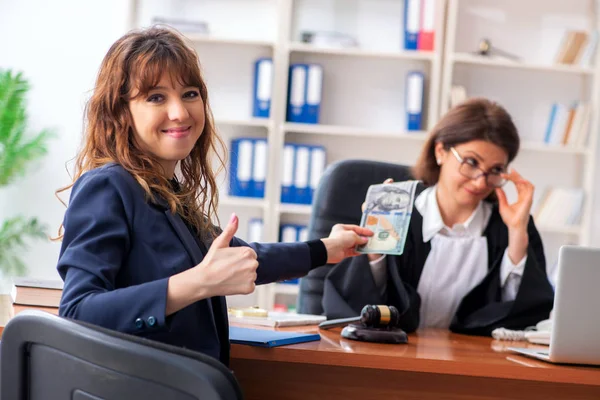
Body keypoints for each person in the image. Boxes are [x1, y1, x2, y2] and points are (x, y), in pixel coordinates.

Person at [54, 27, 372, 366]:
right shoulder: (108, 186)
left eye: (189, 94)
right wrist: (198, 282)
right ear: (121, 112)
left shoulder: (167, 192)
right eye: (156, 97)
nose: (180, 112)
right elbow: (78, 312)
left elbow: (243, 259)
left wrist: (327, 249)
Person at [320, 98, 554, 335]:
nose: (481, 181)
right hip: (394, 357)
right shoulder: (397, 214)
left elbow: (522, 319)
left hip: (470, 363)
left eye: (495, 170)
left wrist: (516, 236)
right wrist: (375, 247)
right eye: (471, 162)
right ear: (440, 151)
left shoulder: (510, 225)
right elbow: (354, 311)